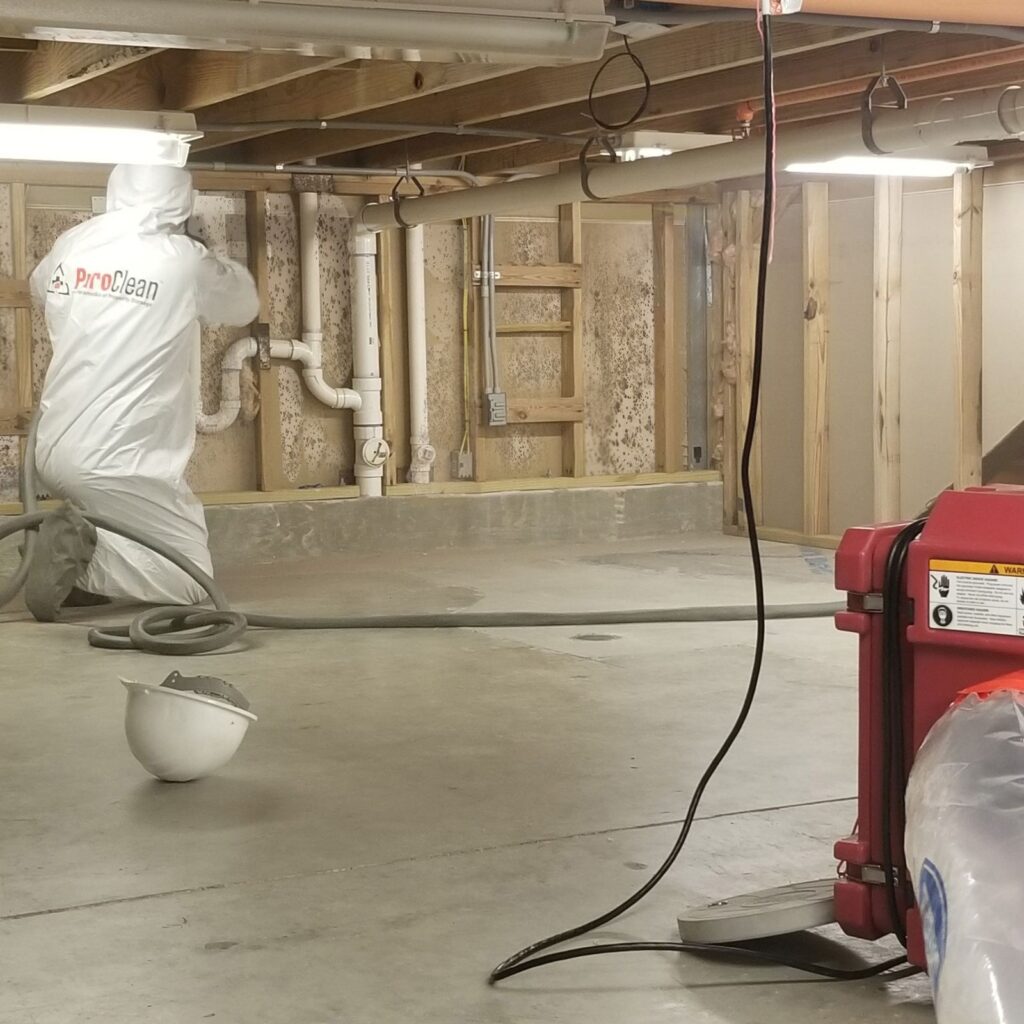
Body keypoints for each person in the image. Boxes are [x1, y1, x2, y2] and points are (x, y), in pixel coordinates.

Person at [26, 163, 260, 619]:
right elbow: (244, 303)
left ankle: (77, 560)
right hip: (121, 456)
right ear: (179, 201)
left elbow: (41, 290)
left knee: (129, 529)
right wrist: (207, 254)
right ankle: (82, 563)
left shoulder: (74, 244)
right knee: (192, 580)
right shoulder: (183, 259)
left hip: (56, 444)